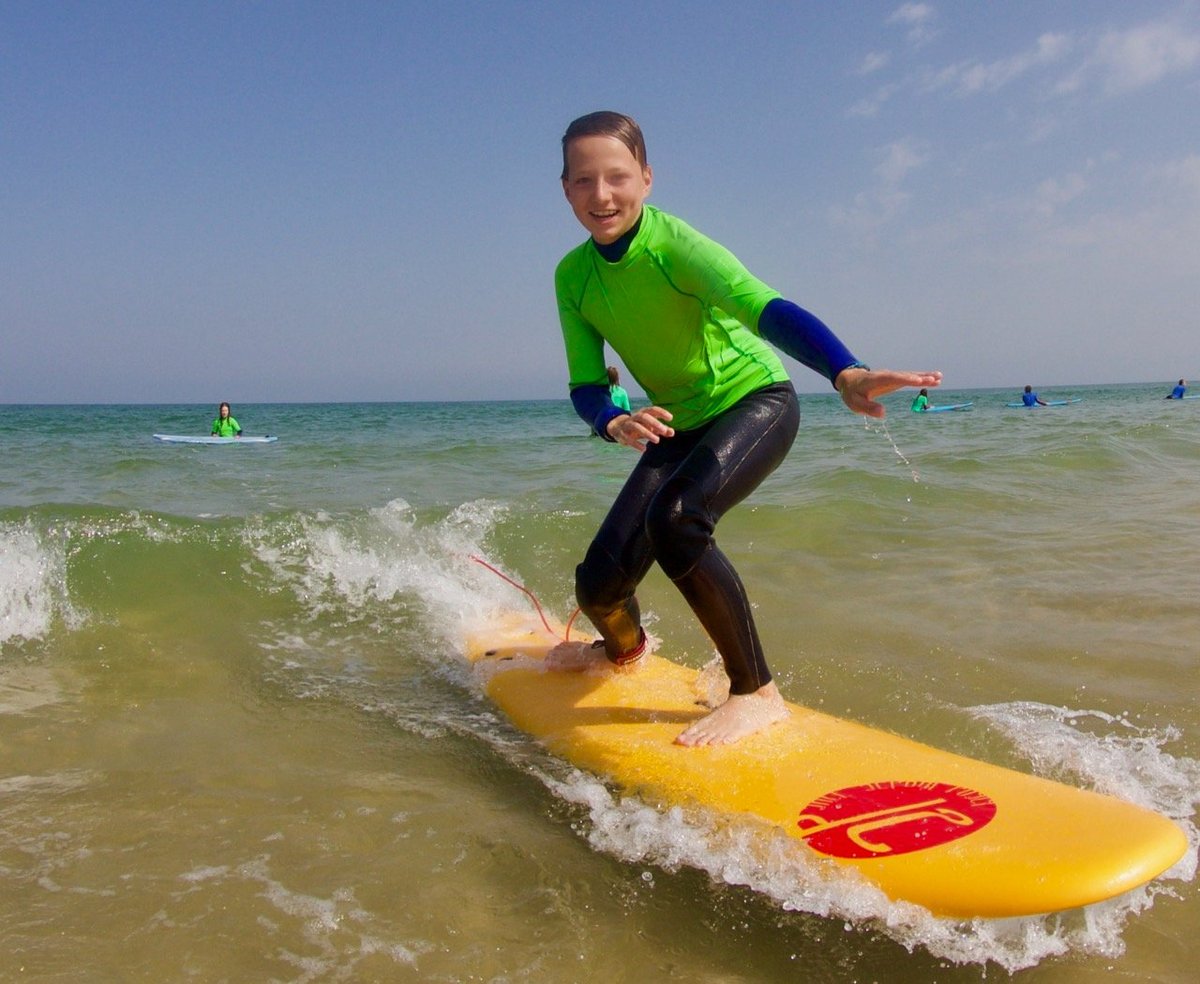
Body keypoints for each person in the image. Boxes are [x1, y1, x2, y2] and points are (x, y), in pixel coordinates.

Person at [549, 110, 942, 747]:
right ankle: (623, 652)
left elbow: (764, 307)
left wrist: (845, 371)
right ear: (565, 189)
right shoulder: (573, 277)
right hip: (677, 423)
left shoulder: (675, 245)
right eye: (584, 180)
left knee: (676, 519)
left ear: (646, 179)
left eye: (617, 177)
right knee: (598, 585)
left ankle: (757, 693)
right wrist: (612, 419)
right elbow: (586, 383)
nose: (602, 195)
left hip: (754, 400)